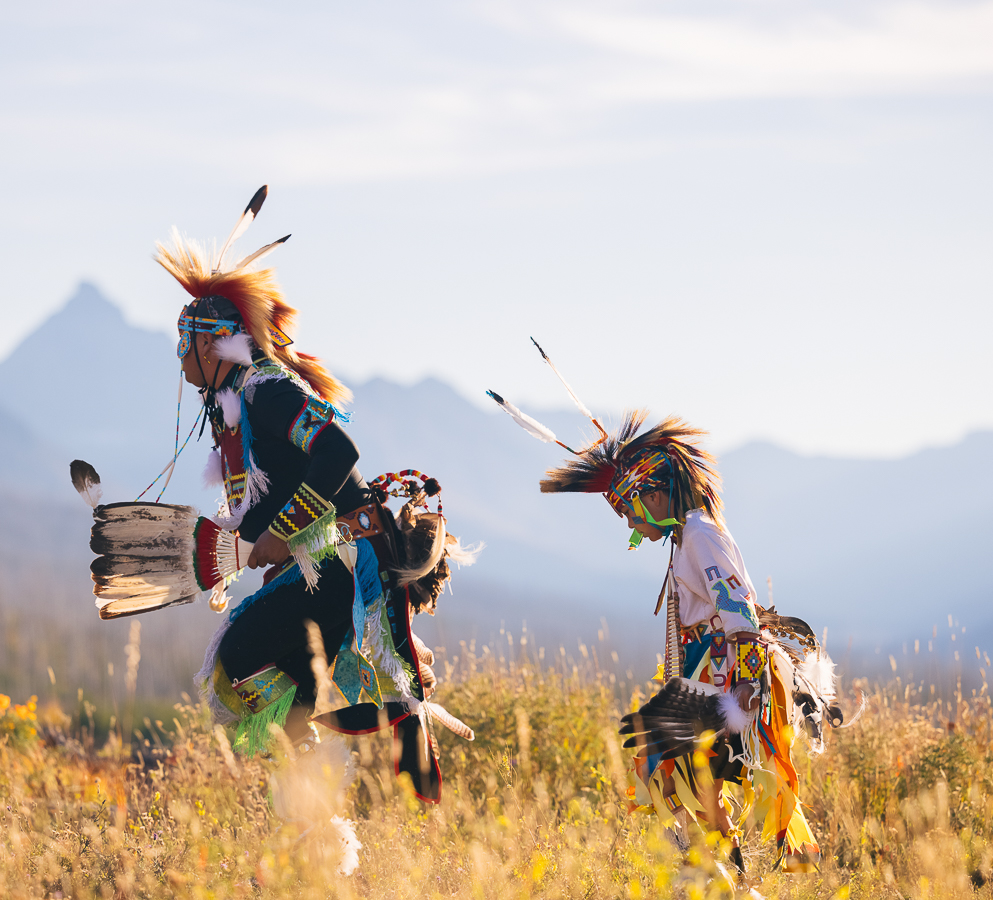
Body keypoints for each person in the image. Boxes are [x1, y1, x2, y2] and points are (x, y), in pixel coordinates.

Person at [153, 189, 472, 801]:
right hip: (317, 564)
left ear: (212, 342)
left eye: (183, 342)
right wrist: (240, 547)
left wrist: (278, 534)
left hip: (342, 561)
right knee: (285, 692)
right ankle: (317, 828)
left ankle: (319, 798)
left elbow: (339, 452)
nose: (180, 359)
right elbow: (268, 499)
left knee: (239, 657)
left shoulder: (265, 391)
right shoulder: (238, 405)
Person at [538, 411, 839, 891]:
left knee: (676, 769)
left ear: (657, 494)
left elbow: (738, 604)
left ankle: (718, 876)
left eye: (632, 509)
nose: (632, 523)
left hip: (724, 675)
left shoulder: (699, 534)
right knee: (680, 773)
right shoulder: (689, 534)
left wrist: (741, 685)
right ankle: (717, 875)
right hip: (709, 672)